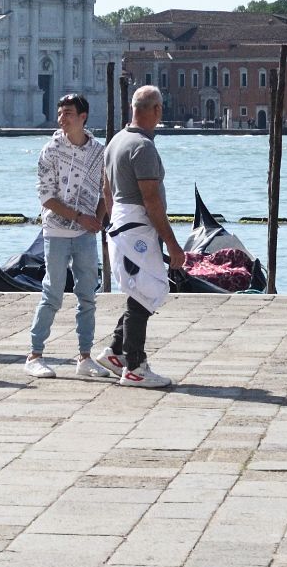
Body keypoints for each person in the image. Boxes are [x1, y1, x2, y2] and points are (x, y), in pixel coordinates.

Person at [99, 85, 183, 389]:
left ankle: (115, 352)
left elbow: (106, 192)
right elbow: (151, 199)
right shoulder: (143, 147)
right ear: (157, 110)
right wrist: (172, 243)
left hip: (122, 225)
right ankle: (134, 367)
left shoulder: (115, 141)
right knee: (146, 293)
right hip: (137, 228)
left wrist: (115, 224)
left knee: (139, 293)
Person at [27, 93, 111, 380]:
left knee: (87, 294)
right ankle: (35, 355)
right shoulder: (49, 151)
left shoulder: (99, 152)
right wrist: (79, 217)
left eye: (68, 113)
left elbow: (106, 190)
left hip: (86, 233)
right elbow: (46, 197)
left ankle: (85, 357)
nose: (62, 118)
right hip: (56, 231)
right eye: (60, 113)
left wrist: (97, 219)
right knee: (52, 292)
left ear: (83, 117)